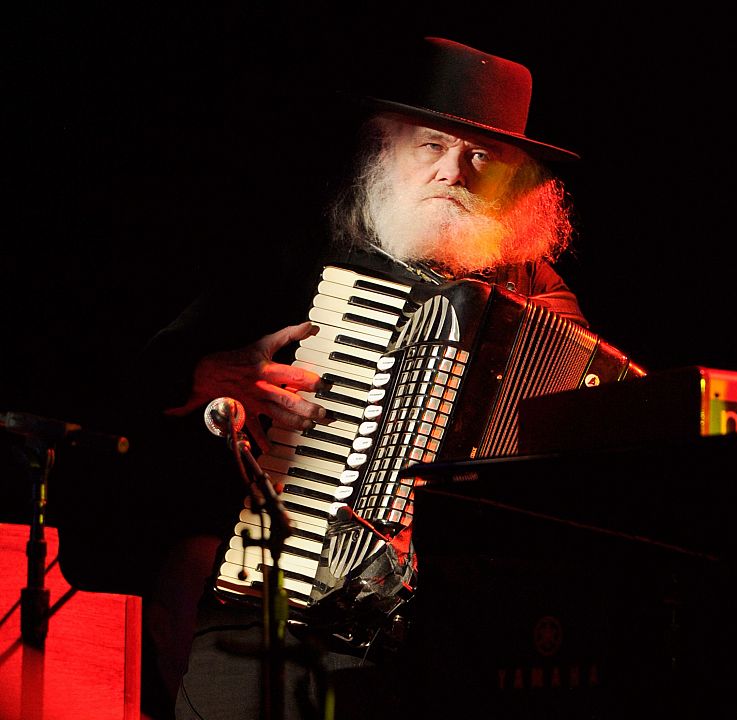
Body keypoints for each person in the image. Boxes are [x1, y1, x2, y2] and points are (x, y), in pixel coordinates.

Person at [127, 36, 607, 719]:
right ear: (385, 147)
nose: (455, 173)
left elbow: (579, 459)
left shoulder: (539, 298)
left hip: (449, 634)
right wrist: (218, 374)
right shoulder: (304, 259)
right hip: (272, 607)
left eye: (483, 158)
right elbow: (144, 378)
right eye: (432, 146)